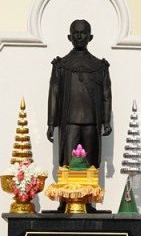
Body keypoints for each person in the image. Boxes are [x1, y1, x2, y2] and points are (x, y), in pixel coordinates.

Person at [47, 19, 112, 169]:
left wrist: (106, 121)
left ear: (90, 37)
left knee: (90, 165)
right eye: (76, 33)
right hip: (69, 122)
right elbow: (54, 94)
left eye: (83, 33)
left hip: (92, 122)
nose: (79, 36)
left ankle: (90, 186)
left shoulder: (100, 66)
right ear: (69, 37)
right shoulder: (61, 65)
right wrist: (51, 123)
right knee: (68, 165)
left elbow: (106, 96)